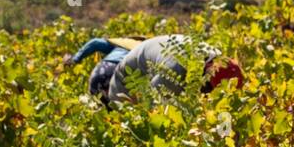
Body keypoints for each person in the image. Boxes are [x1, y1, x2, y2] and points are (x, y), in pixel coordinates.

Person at [106, 33, 244, 107]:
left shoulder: (215, 56)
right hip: (125, 81)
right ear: (205, 77)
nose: (206, 94)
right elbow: (154, 109)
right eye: (208, 89)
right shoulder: (173, 72)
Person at [63, 36, 143, 104]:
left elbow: (95, 42)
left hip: (102, 69)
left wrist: (75, 59)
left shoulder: (121, 43)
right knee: (121, 112)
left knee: (98, 109)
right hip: (122, 73)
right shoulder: (145, 47)